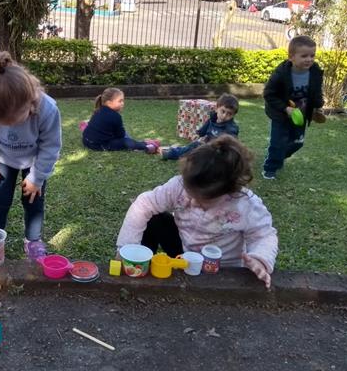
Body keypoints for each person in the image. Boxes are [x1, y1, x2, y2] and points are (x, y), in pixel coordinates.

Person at [116, 135, 278, 288]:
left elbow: (264, 235)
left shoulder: (245, 204)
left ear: (227, 191)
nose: (192, 202)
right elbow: (144, 204)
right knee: (155, 219)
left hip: (221, 267)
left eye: (201, 200)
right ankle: (139, 265)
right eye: (190, 193)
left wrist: (260, 259)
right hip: (185, 253)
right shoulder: (179, 185)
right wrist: (126, 247)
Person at [0, 51, 62, 259]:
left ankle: (33, 241)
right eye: (2, 121)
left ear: (30, 102)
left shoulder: (47, 108)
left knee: (33, 200)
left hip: (35, 160)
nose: (10, 126)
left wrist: (36, 178)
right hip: (1, 158)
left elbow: (50, 146)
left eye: (16, 120)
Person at [262, 35, 324, 180]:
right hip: (280, 114)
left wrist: (317, 106)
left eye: (312, 55)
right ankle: (270, 168)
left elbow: (316, 91)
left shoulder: (315, 71)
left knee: (298, 142)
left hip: (302, 114)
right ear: (291, 57)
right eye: (304, 56)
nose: (309, 59)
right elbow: (268, 94)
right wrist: (285, 108)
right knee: (278, 142)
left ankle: (277, 155)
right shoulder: (281, 74)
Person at [161, 93, 240, 160]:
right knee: (193, 146)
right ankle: (173, 151)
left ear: (233, 115)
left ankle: (173, 153)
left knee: (195, 149)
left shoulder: (231, 128)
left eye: (229, 114)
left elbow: (230, 144)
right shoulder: (213, 119)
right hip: (207, 146)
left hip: (218, 153)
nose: (224, 115)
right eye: (223, 111)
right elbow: (204, 128)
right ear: (216, 109)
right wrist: (198, 134)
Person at [82, 87, 159, 153]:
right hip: (99, 145)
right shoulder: (115, 116)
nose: (122, 103)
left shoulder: (98, 109)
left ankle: (86, 126)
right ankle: (145, 145)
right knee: (126, 142)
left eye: (123, 101)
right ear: (109, 103)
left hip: (86, 141)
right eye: (120, 101)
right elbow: (121, 135)